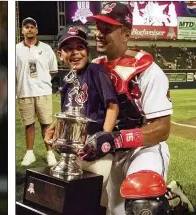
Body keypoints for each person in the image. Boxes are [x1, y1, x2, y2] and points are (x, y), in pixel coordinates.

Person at [82, 2, 193, 214]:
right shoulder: (95, 67)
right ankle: (172, 194)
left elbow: (162, 129)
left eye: (107, 28)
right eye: (98, 27)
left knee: (143, 203)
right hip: (107, 151)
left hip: (143, 149)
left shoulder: (149, 71)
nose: (99, 33)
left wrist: (117, 138)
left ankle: (172, 202)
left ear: (126, 33)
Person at [45, 25, 119, 213]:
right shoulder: (68, 80)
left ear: (87, 50)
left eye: (80, 47)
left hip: (95, 151)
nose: (75, 53)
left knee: (90, 200)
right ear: (60, 54)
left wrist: (104, 137)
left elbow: (112, 106)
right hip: (75, 152)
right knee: (87, 202)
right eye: (68, 48)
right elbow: (69, 112)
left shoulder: (95, 71)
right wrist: (53, 127)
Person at [16, 17, 58, 167]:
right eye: (26, 27)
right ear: (22, 30)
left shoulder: (46, 49)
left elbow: (53, 71)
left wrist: (42, 81)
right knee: (29, 124)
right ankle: (29, 153)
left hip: (43, 92)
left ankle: (50, 153)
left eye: (32, 27)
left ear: (37, 30)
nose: (29, 29)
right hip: (24, 91)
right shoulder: (16, 49)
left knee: (46, 124)